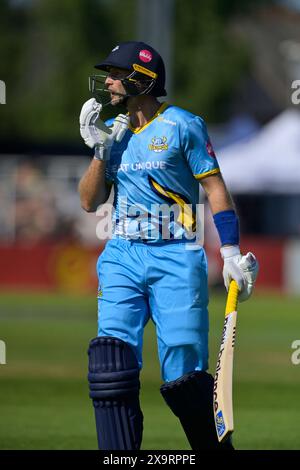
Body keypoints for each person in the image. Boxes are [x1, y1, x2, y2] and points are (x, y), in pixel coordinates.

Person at [78, 41, 258, 451]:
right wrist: (99, 151)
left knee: (185, 380)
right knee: (111, 364)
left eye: (115, 73)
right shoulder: (115, 134)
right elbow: (89, 202)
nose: (107, 81)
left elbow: (215, 187)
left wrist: (229, 251)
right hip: (122, 253)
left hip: (177, 255)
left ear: (141, 79)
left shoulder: (182, 124)